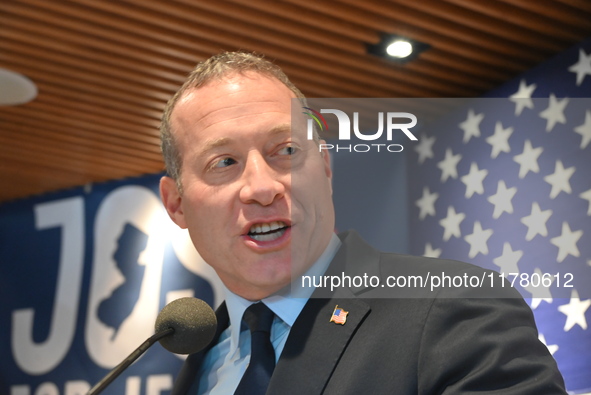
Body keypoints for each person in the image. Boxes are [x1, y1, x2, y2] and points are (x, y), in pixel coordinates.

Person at [159, 52, 567, 394]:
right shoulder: (202, 357)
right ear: (177, 204)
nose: (262, 187)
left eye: (285, 150)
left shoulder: (458, 307)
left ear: (324, 166)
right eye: (224, 162)